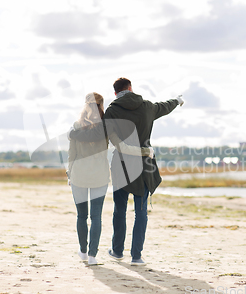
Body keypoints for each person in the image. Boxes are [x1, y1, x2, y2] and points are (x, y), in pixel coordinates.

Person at [70, 78, 184, 266]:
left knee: (120, 210)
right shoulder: (147, 107)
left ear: (115, 93)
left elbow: (97, 133)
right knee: (141, 212)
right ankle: (137, 256)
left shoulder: (113, 111)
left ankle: (117, 251)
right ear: (131, 89)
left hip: (121, 167)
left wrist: (74, 134)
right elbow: (165, 106)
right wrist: (177, 101)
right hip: (144, 167)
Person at [67, 92, 152, 266]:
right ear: (101, 106)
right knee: (96, 216)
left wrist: (70, 174)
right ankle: (92, 256)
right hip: (100, 176)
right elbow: (123, 147)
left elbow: (71, 155)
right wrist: (145, 151)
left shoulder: (76, 127)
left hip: (79, 176)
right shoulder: (106, 127)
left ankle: (82, 251)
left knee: (81, 216)